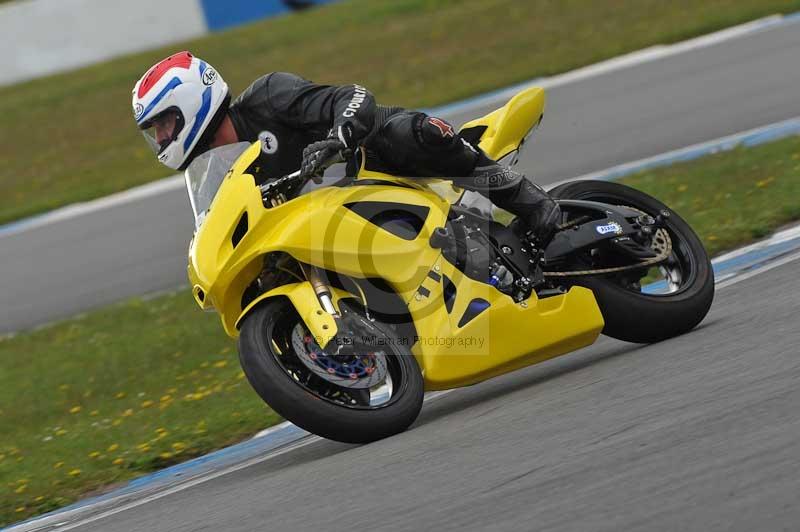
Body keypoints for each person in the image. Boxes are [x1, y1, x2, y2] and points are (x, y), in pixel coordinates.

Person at [132, 51, 560, 246]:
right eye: (154, 131)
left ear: (190, 101)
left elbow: (354, 97)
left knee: (413, 134)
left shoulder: (268, 95)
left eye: (164, 123)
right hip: (340, 219)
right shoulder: (214, 174)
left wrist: (337, 139)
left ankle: (534, 203)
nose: (163, 138)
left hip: (376, 156)